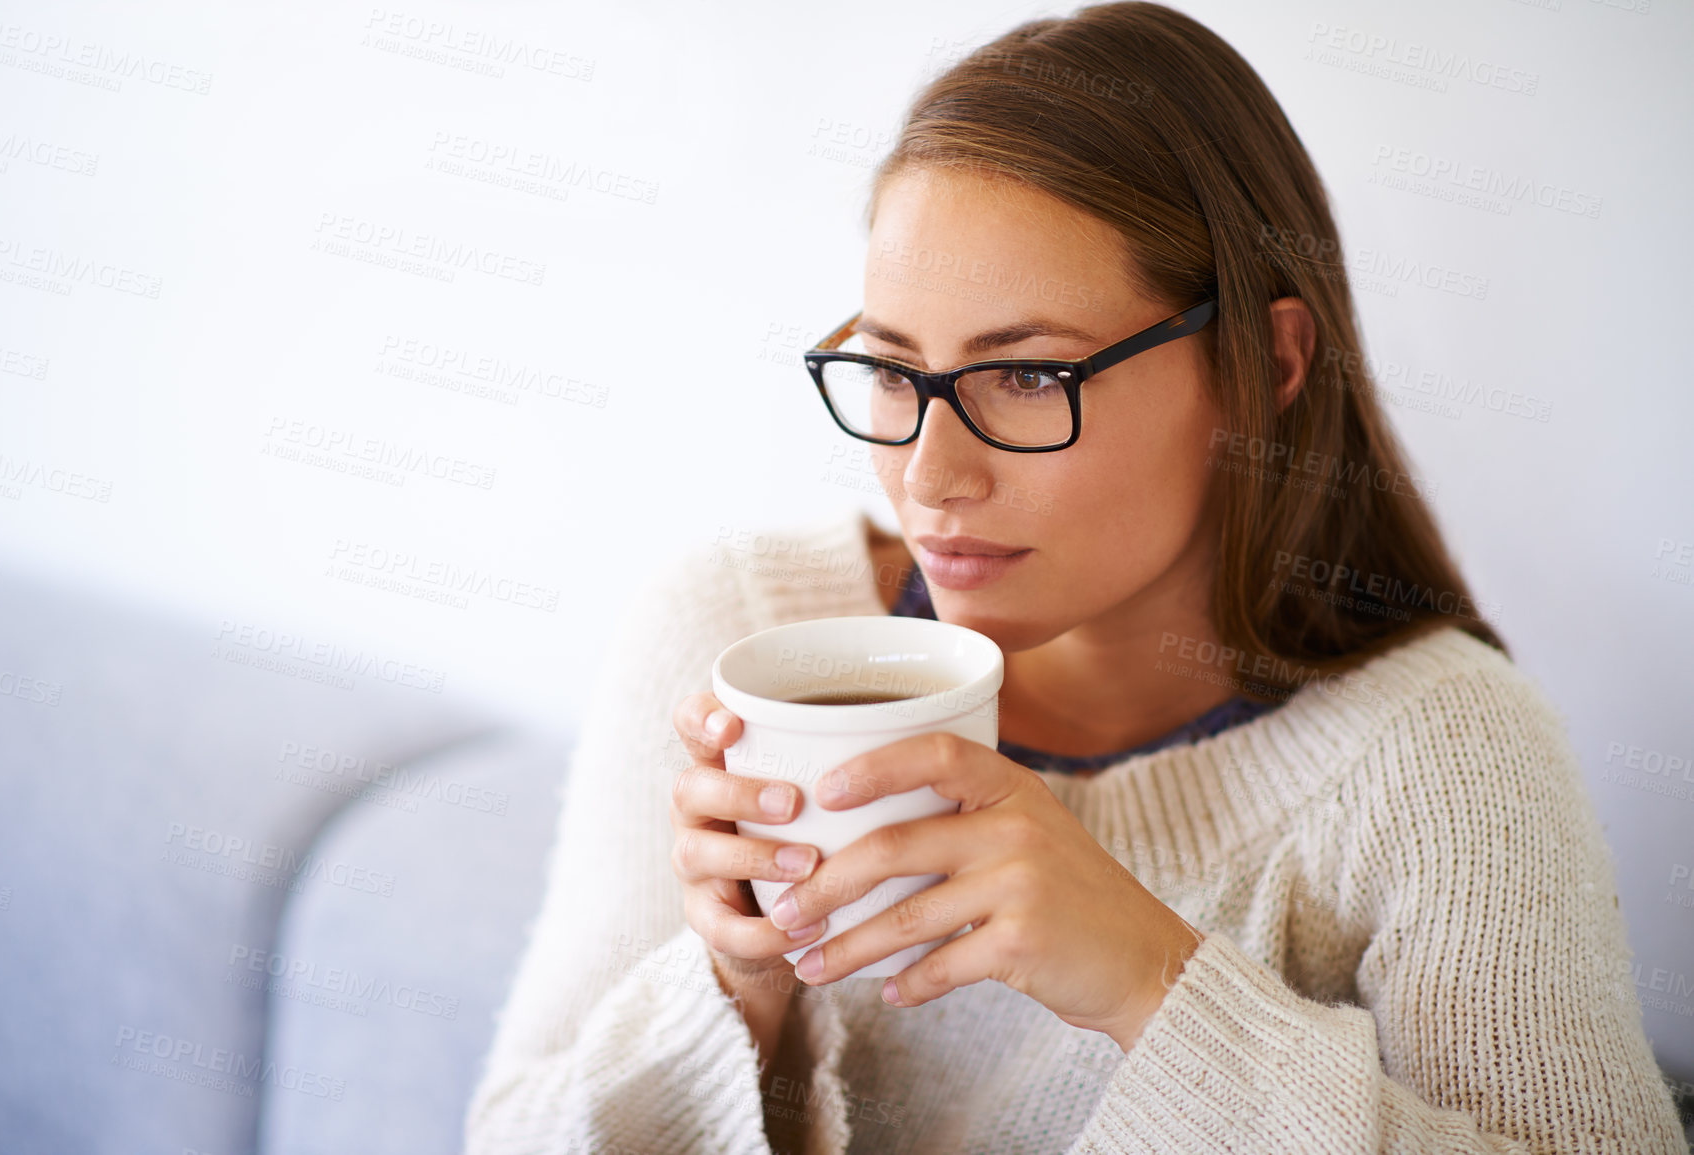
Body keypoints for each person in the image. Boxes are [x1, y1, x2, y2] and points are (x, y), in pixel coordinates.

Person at [464, 3, 1687, 1152]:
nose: (931, 475)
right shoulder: (737, 630)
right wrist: (740, 991)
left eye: (1031, 377)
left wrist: (1153, 986)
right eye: (895, 371)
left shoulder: (1441, 761)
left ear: (1267, 361)